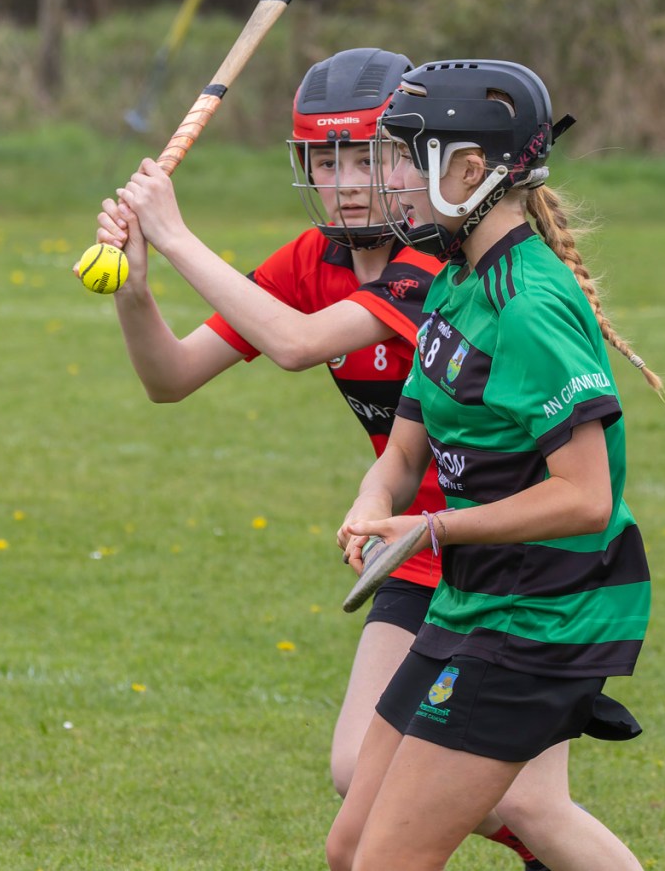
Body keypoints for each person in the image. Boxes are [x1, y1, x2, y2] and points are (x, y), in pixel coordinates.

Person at [90, 48, 557, 870]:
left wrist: (176, 233)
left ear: (413, 155)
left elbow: (298, 343)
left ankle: (543, 833)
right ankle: (532, 834)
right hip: (416, 547)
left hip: (513, 543)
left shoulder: (436, 260)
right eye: (325, 159)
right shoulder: (314, 261)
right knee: (358, 779)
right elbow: (171, 377)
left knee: (511, 799)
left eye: (367, 157)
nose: (345, 182)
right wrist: (137, 285)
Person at [328, 58, 663, 871]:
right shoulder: (455, 281)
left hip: (541, 616)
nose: (391, 181)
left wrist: (432, 529)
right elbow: (404, 446)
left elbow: (586, 497)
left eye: (408, 158)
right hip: (476, 600)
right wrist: (374, 503)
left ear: (470, 169)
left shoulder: (527, 305)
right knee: (352, 848)